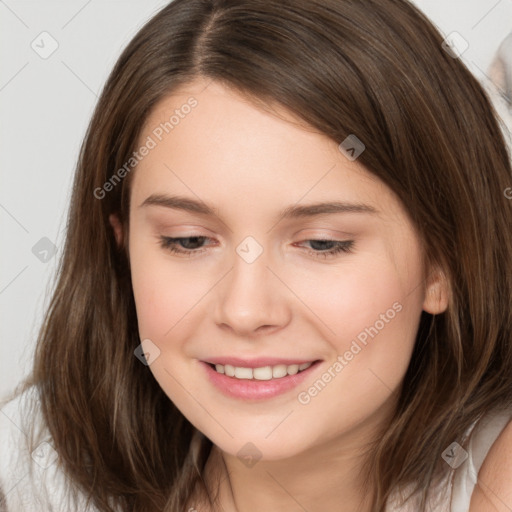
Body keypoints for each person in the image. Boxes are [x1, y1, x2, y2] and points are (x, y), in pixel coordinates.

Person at [1, 0, 512, 511]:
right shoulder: (30, 472)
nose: (245, 311)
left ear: (442, 264)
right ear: (123, 247)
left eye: (322, 243)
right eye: (188, 240)